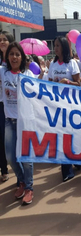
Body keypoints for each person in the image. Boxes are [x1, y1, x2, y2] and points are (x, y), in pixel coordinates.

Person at [0, 42, 35, 204]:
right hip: (9, 122)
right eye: (11, 54)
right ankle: (21, 181)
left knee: (27, 159)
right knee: (10, 157)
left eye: (17, 54)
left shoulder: (29, 75)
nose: (14, 57)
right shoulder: (3, 73)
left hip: (25, 122)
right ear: (7, 57)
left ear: (22, 57)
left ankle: (29, 188)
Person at [47, 36, 81, 182]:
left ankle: (77, 158)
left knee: (72, 135)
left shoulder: (71, 63)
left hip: (71, 105)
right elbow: (48, 83)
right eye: (54, 45)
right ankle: (66, 170)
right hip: (57, 105)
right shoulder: (53, 65)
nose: (55, 48)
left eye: (58, 46)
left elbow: (79, 83)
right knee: (61, 136)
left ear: (64, 48)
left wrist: (66, 82)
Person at [0, 31, 14, 182]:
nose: (2, 42)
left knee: (9, 138)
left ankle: (20, 175)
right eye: (0, 40)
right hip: (0, 103)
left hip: (10, 105)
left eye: (5, 39)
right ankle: (3, 169)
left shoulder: (14, 60)